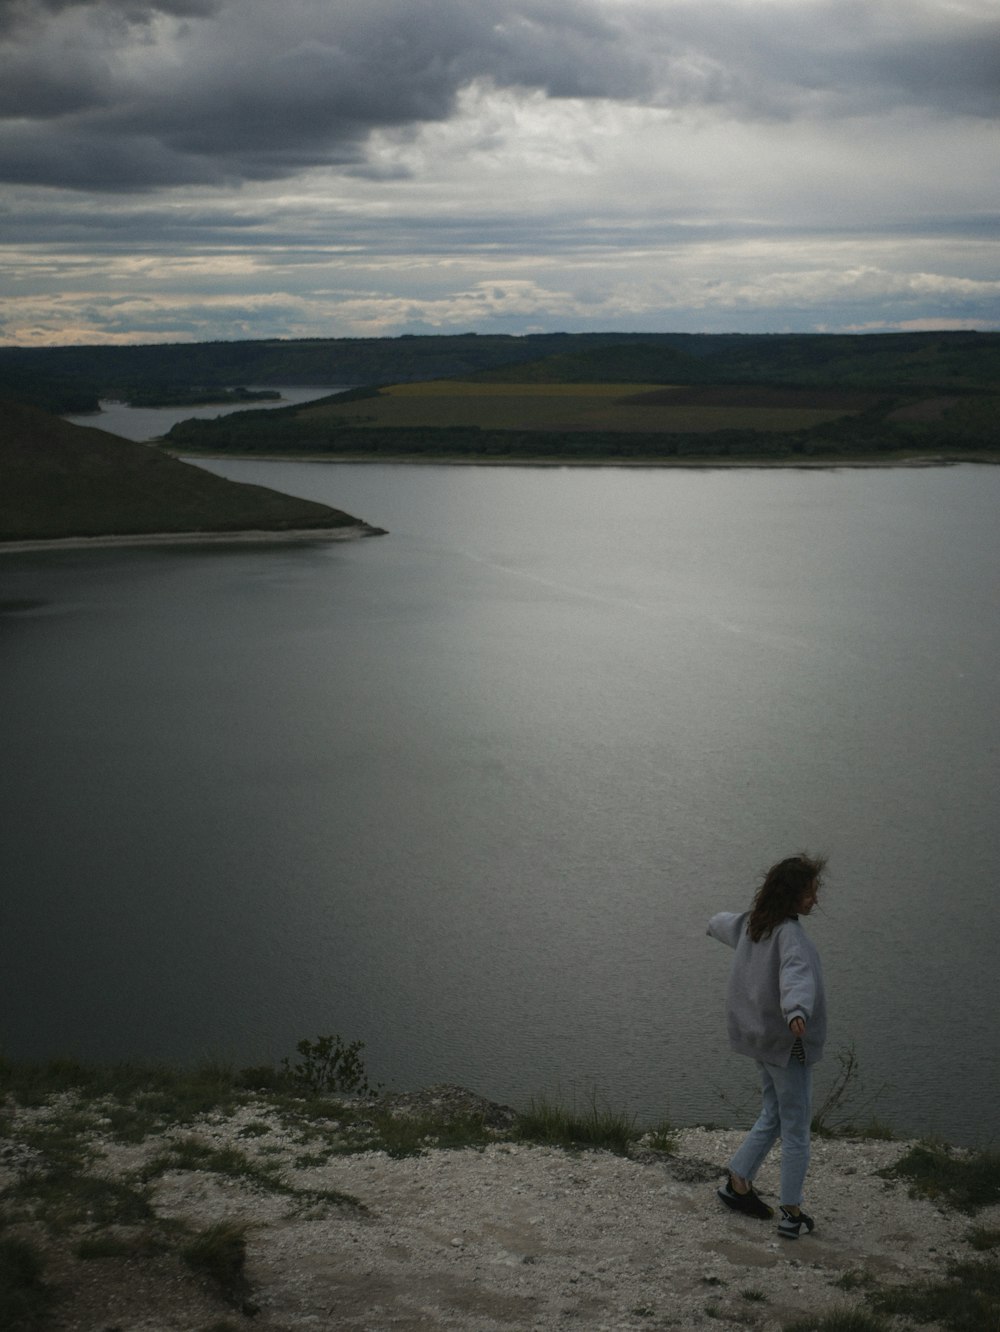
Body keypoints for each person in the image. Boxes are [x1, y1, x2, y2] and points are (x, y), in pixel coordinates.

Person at [707, 853, 827, 1240]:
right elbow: (796, 975)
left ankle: (738, 1182)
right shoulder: (789, 934)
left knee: (772, 1114)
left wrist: (712, 924)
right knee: (796, 1129)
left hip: (761, 1041)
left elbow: (726, 925)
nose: (814, 899)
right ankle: (792, 1213)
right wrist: (797, 1012)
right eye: (809, 893)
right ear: (790, 895)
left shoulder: (755, 924)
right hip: (787, 1043)